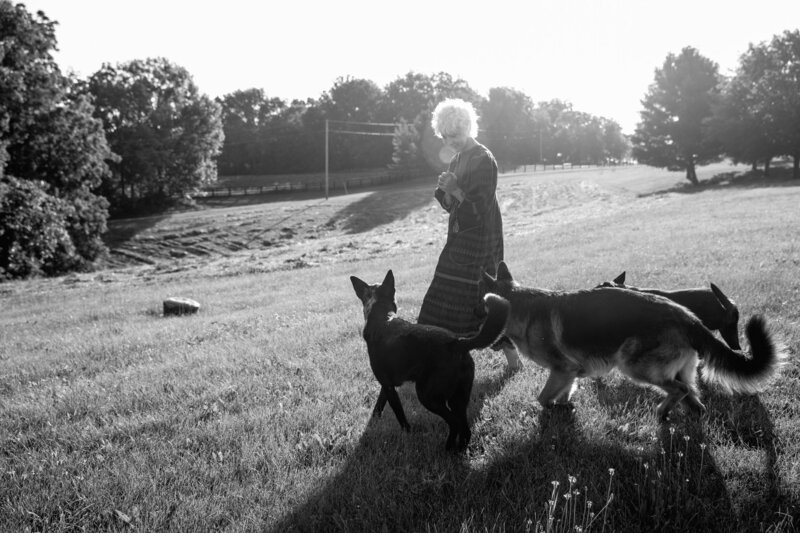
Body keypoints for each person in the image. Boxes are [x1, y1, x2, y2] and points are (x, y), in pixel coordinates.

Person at [417, 98, 522, 370]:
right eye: (446, 137)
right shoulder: (457, 159)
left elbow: (479, 208)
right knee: (442, 294)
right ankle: (436, 352)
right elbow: (451, 205)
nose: (452, 141)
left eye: (457, 135)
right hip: (459, 239)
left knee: (481, 301)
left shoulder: (484, 160)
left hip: (482, 241)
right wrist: (446, 189)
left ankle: (511, 355)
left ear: (469, 127)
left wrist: (455, 189)